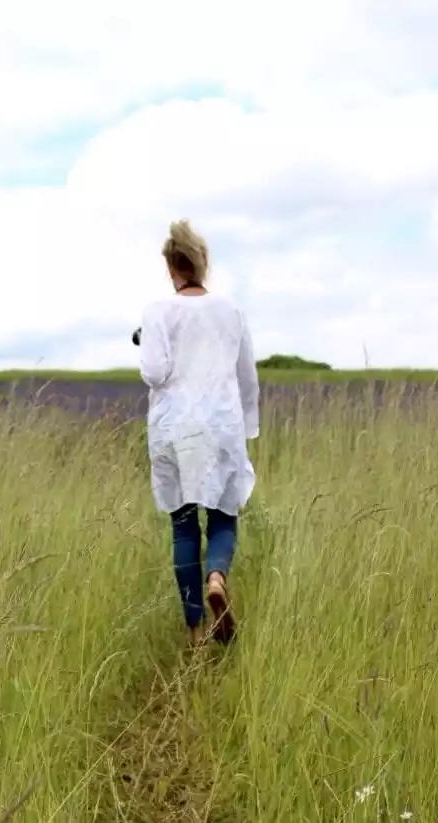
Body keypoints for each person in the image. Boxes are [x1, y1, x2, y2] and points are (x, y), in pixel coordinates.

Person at [136, 219, 260, 648]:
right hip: (222, 425)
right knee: (224, 516)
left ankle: (194, 632)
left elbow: (154, 373)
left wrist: (147, 343)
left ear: (171, 267)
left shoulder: (157, 312)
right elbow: (247, 377)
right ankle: (217, 578)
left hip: (174, 429)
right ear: (202, 263)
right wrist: (248, 426)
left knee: (184, 524)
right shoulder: (231, 312)